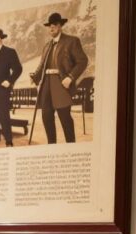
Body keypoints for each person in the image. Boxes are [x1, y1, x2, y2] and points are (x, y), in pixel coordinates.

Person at [30, 12, 88, 144]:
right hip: (46, 85)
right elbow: (42, 65)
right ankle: (52, 145)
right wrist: (35, 76)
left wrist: (70, 77)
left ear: (60, 26)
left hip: (61, 83)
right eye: (49, 26)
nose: (52, 28)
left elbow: (82, 61)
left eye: (55, 25)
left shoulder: (71, 41)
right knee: (46, 116)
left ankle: (70, 144)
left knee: (64, 117)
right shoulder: (47, 45)